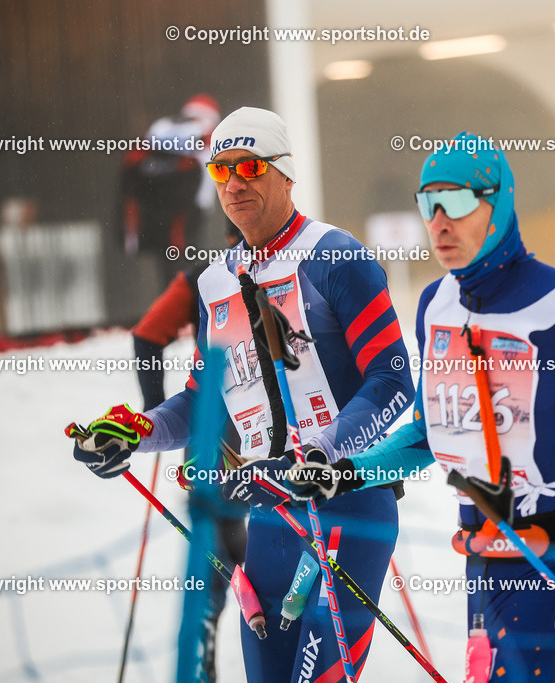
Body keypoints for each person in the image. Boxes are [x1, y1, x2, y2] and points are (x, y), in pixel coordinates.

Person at [288, 132, 555, 682]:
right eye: (427, 202)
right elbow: (427, 433)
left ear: (498, 204)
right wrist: (346, 475)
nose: (439, 221)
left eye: (458, 202)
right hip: (481, 552)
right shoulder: (435, 304)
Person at [73, 107, 414, 682]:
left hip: (347, 507)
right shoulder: (216, 283)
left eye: (250, 167)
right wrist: (134, 431)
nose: (234, 182)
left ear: (284, 173)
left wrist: (322, 453)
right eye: (221, 170)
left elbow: (392, 381)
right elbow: (207, 403)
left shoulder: (336, 257)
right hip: (271, 520)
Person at [131, 222, 248, 683]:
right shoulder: (288, 271)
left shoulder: (201, 277)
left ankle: (207, 642)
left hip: (209, 431)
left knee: (216, 544)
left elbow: (146, 334)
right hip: (265, 437)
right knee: (256, 541)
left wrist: (152, 404)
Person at [117, 94, 221, 291]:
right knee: (186, 262)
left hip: (154, 208)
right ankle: (189, 310)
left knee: (169, 263)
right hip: (188, 208)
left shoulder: (162, 126)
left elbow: (135, 162)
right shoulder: (206, 132)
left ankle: (173, 306)